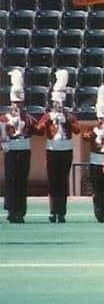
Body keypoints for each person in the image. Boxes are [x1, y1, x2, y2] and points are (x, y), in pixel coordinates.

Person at [35, 70, 80, 223]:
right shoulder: (48, 115)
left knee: (63, 181)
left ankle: (62, 212)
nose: (58, 106)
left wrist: (66, 120)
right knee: (53, 181)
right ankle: (53, 210)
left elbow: (77, 130)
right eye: (56, 104)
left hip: (66, 150)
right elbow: (39, 131)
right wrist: (49, 121)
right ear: (53, 103)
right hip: (52, 150)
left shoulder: (68, 116)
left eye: (60, 104)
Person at [2, 69, 34, 223]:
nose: (17, 105)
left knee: (22, 179)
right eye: (15, 102)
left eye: (19, 102)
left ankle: (20, 211)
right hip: (11, 150)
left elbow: (35, 130)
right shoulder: (4, 117)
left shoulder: (27, 117)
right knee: (11, 179)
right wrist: (8, 126)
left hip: (24, 149)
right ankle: (10, 209)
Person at [82, 85, 104, 223]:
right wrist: (95, 134)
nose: (103, 121)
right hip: (96, 162)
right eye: (101, 118)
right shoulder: (92, 129)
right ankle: (99, 213)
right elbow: (85, 136)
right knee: (98, 190)